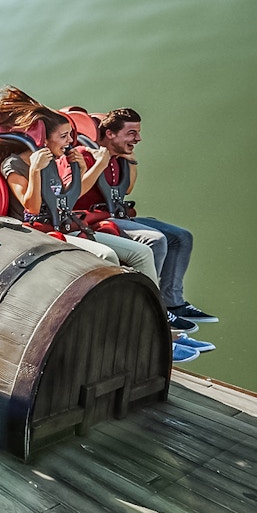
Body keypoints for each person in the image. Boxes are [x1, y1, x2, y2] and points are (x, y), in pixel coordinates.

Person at [0, 87, 160, 286]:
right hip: (37, 233)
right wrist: (35, 171)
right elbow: (32, 208)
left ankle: (156, 305)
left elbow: (67, 198)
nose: (71, 141)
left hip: (64, 225)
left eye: (70, 135)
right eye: (64, 136)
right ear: (43, 140)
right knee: (106, 256)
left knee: (142, 253)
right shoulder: (13, 165)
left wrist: (81, 170)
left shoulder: (53, 160)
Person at [68, 107, 216, 342]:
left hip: (118, 215)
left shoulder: (120, 158)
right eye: (131, 133)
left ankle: (173, 302)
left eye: (137, 132)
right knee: (155, 240)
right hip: (91, 221)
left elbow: (126, 189)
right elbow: (74, 194)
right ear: (110, 134)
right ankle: (150, 308)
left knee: (182, 237)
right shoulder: (84, 155)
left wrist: (132, 162)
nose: (138, 138)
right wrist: (99, 164)